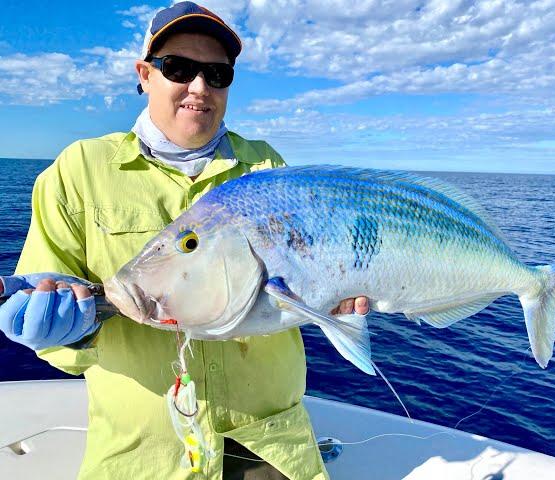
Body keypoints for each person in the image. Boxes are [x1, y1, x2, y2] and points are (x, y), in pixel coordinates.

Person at [0, 3, 368, 479]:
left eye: (217, 73)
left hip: (269, 446)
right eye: (179, 67)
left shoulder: (266, 167)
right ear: (145, 74)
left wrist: (337, 297)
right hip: (144, 455)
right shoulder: (80, 171)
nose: (199, 87)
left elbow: (306, 282)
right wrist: (62, 332)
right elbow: (53, 316)